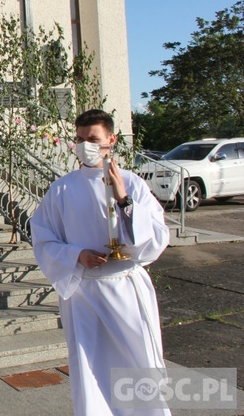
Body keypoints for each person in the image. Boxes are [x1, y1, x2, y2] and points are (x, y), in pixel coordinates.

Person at [30, 109, 170, 416]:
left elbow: (157, 238)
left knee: (138, 367)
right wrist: (76, 255)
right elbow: (42, 236)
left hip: (125, 290)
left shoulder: (132, 183)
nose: (84, 147)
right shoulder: (62, 189)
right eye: (79, 140)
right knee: (90, 372)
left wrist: (124, 201)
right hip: (85, 294)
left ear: (111, 139)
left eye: (92, 139)